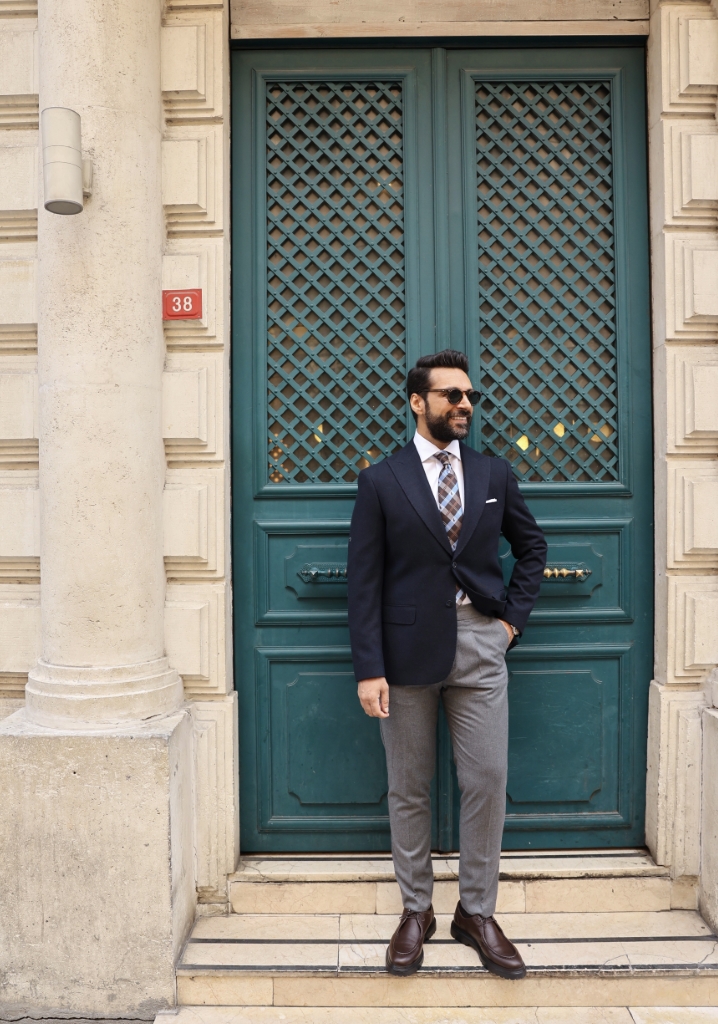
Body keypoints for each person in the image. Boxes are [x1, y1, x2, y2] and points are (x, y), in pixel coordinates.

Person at [347, 349, 547, 979]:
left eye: (469, 397)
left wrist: (511, 619)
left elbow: (532, 546)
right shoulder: (382, 479)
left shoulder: (493, 473)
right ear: (418, 402)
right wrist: (368, 667)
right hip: (404, 654)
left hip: (482, 644)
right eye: (451, 396)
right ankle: (416, 911)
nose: (464, 405)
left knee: (486, 780)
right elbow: (364, 580)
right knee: (408, 787)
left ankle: (476, 912)